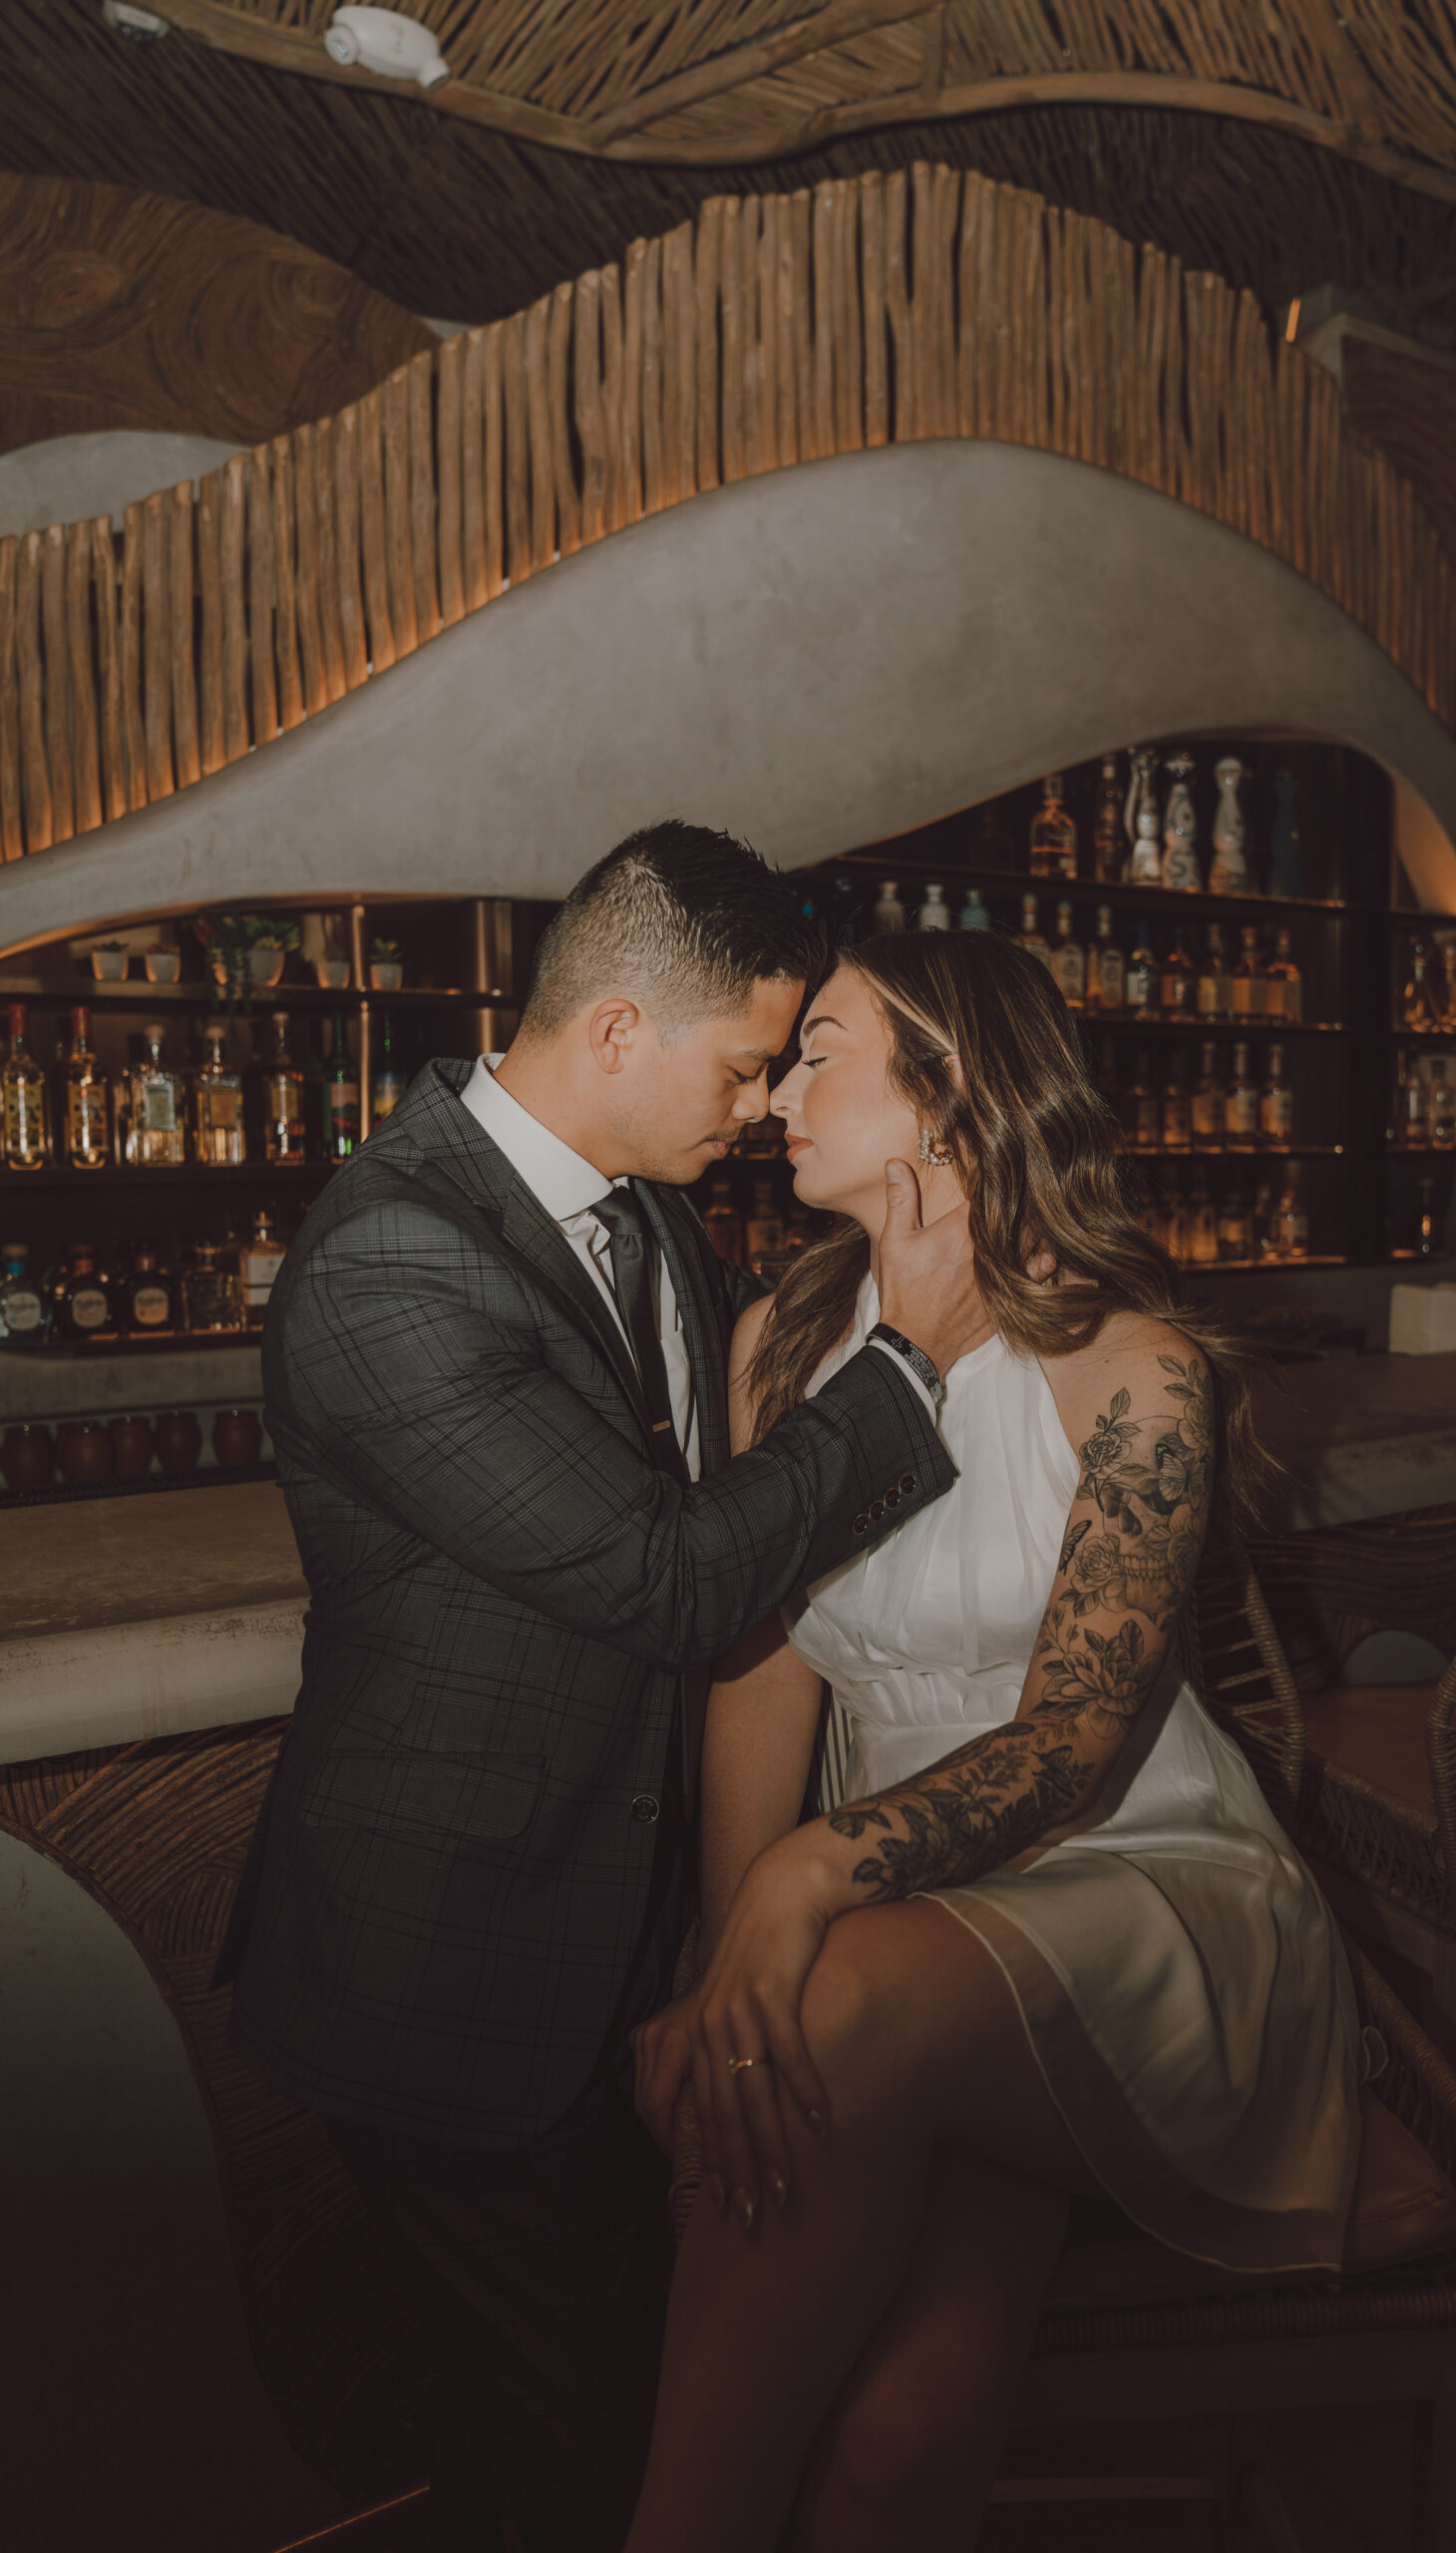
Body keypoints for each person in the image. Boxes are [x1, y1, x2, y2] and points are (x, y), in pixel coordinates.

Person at [216, 824, 987, 2552]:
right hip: (448, 1965)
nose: (760, 1106)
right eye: (742, 1065)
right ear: (620, 1031)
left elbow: (734, 1466)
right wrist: (912, 1361)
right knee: (603, 2453)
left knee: (548, 2443)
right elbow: (674, 1577)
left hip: (608, 1943)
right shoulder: (392, 1260)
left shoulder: (644, 1206)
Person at [628, 929, 1363, 2553]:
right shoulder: (775, 1349)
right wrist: (724, 1940)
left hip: (1136, 1878)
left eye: (823, 1053)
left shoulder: (1139, 1372)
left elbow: (1076, 1747)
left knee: (843, 1996)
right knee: (896, 2445)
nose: (775, 1095)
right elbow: (759, 1673)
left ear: (951, 1104)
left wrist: (806, 1883)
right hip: (901, 1928)